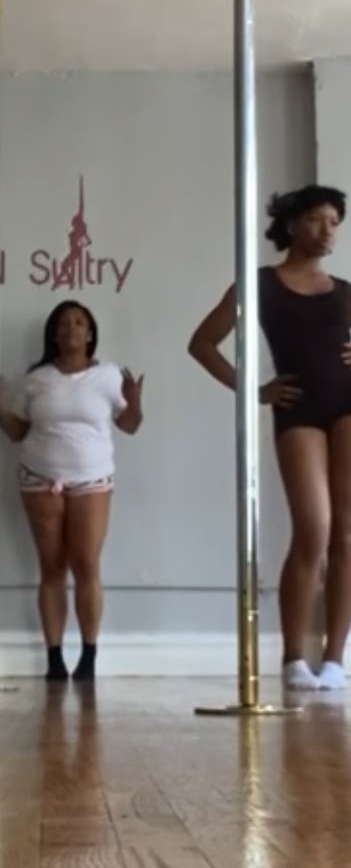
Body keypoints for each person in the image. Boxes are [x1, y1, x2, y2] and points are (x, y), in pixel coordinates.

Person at [188, 184, 351, 691]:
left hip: (348, 407)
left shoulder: (345, 290)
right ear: (292, 223)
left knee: (347, 533)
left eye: (334, 222)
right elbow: (202, 343)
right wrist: (256, 390)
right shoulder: (260, 283)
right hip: (298, 408)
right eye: (317, 220)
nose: (327, 231)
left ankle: (336, 658)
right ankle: (294, 657)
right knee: (314, 529)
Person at [0, 300, 144, 682]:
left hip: (92, 479)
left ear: (91, 333)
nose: (71, 329)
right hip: (39, 478)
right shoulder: (37, 378)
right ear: (54, 334)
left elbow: (129, 425)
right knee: (51, 567)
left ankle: (89, 656)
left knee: (86, 564)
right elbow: (17, 433)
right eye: (64, 324)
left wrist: (135, 399)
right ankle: (54, 658)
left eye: (79, 323)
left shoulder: (108, 375)